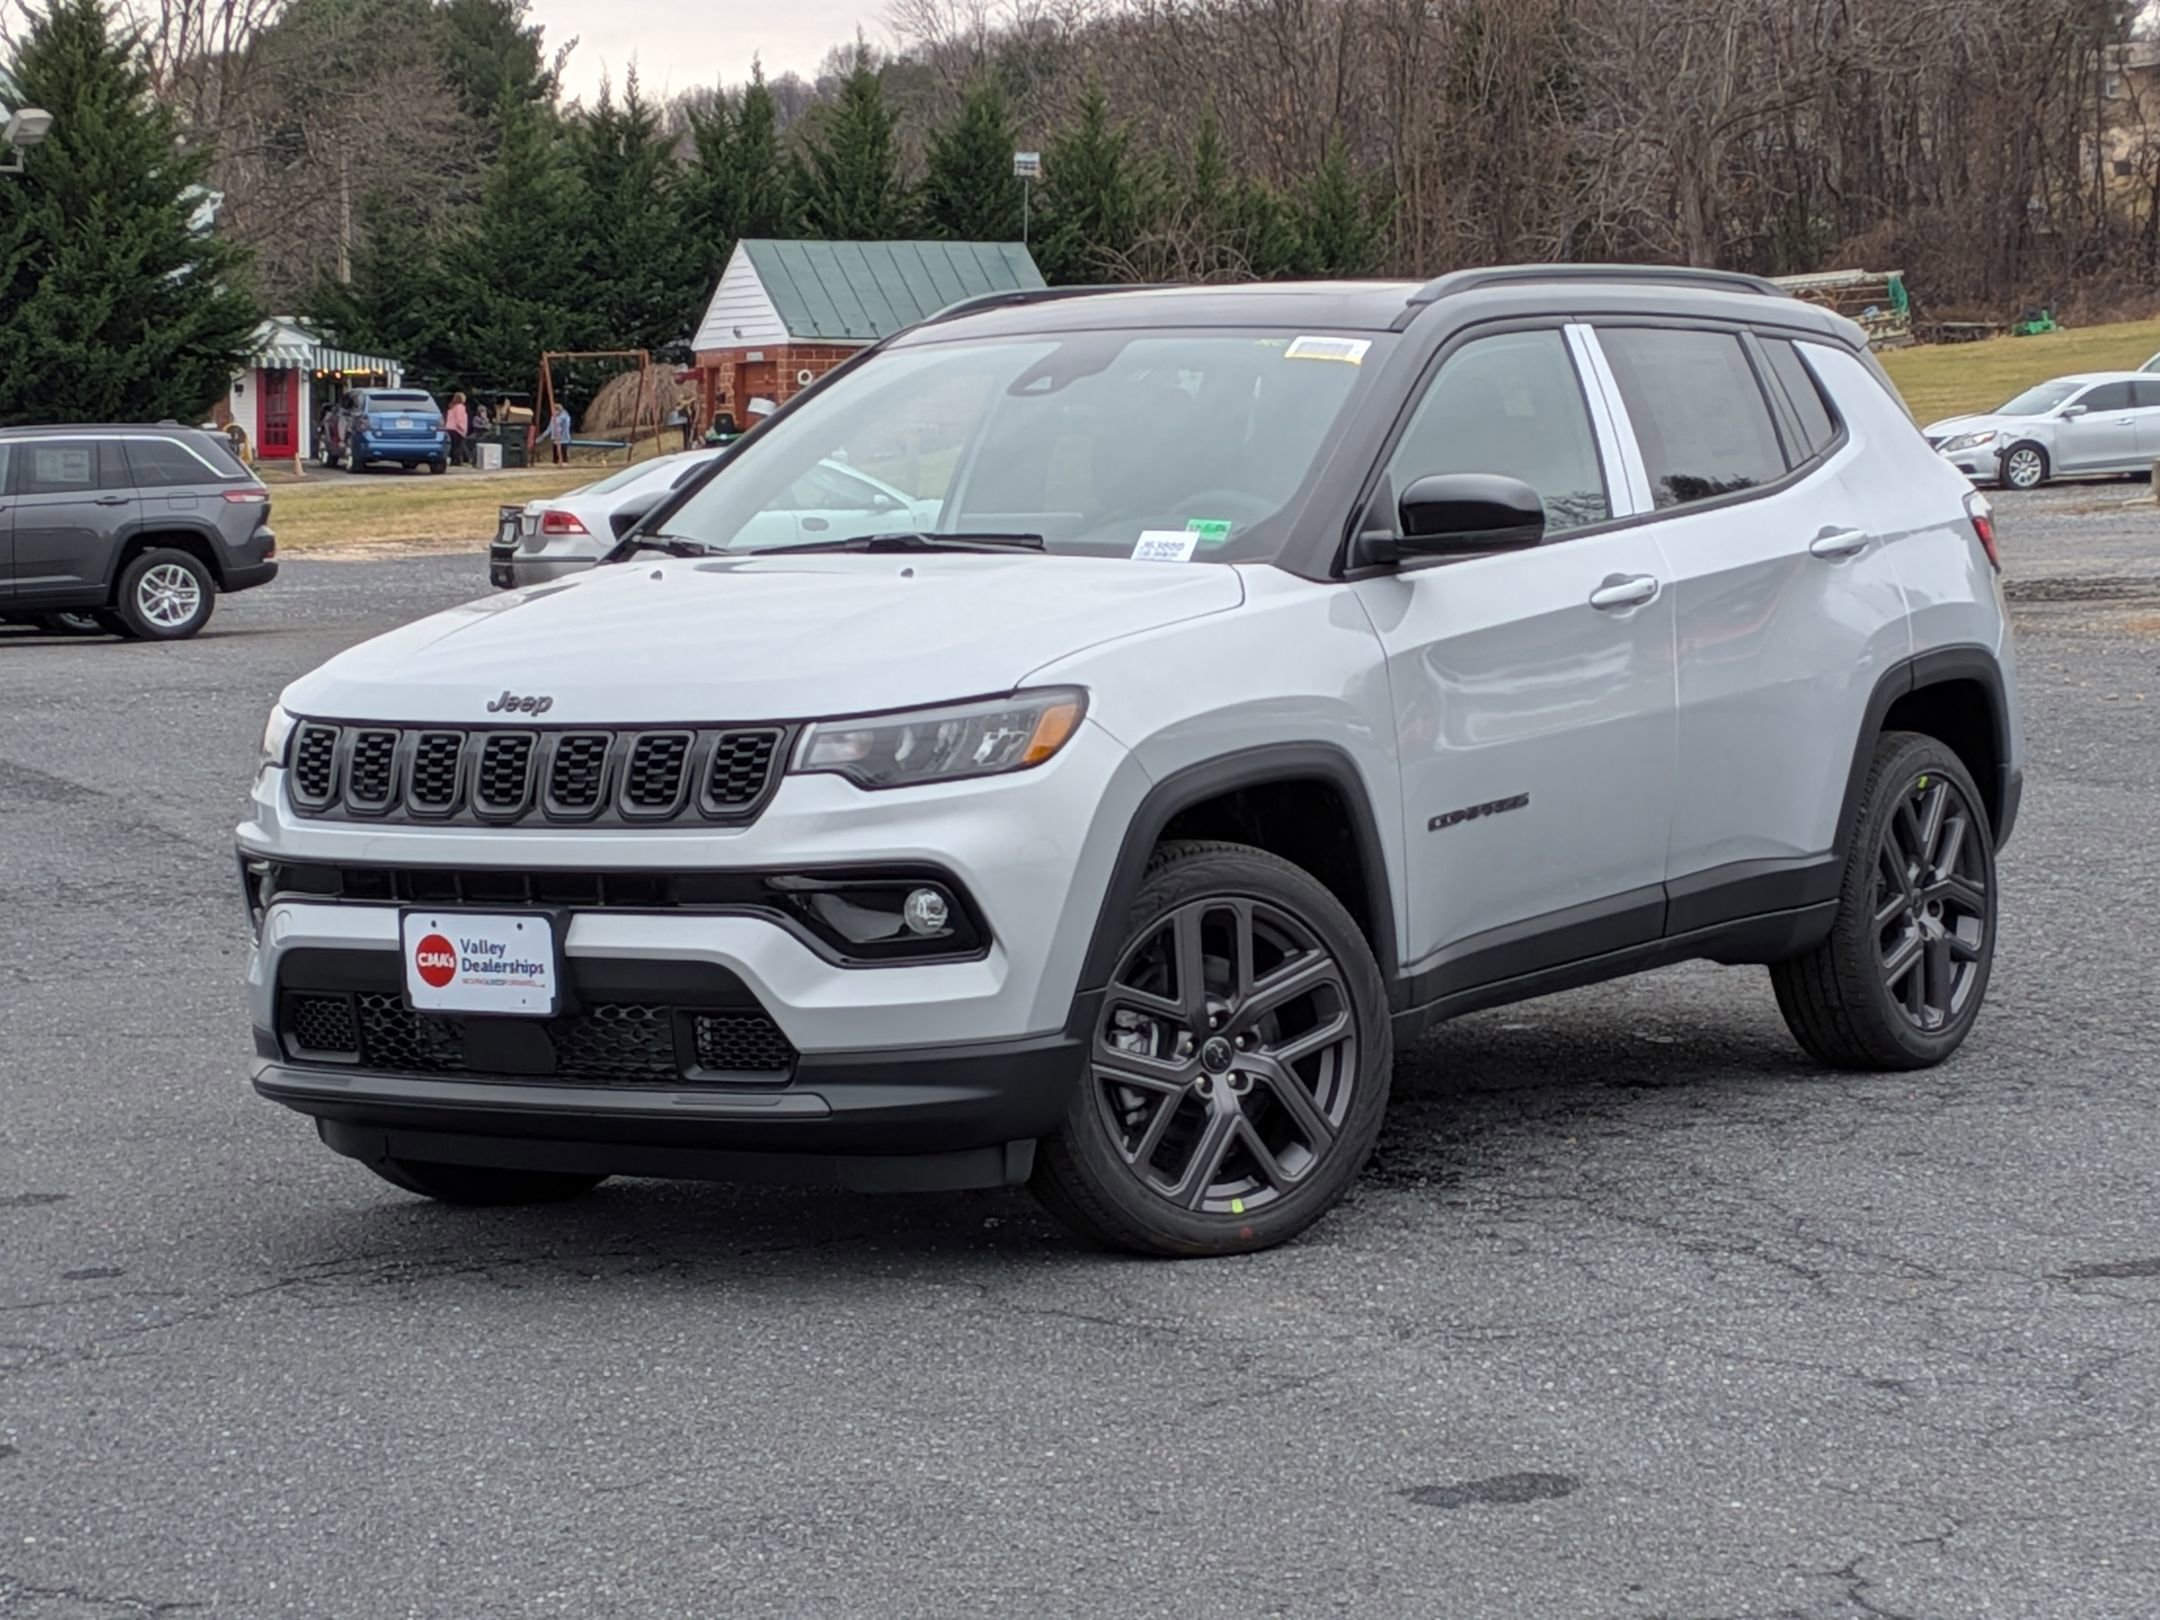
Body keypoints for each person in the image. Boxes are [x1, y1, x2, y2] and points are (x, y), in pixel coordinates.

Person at [444, 391, 469, 467]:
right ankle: (457, 461)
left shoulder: (452, 407)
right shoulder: (460, 407)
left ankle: (453, 461)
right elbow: (459, 419)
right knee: (458, 446)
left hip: (450, 428)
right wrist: (463, 429)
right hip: (457, 429)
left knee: (453, 446)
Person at [548, 401, 572, 465]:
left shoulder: (564, 417)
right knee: (555, 447)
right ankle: (555, 460)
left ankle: (564, 460)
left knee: (563, 447)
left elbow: (566, 427)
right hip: (556, 435)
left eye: (555, 411)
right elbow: (551, 427)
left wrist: (564, 435)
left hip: (563, 436)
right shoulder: (553, 417)